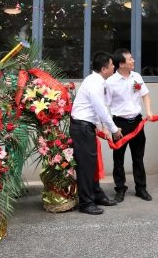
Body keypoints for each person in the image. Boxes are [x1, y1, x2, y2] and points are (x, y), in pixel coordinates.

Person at [70, 51, 123, 215]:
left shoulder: (97, 81)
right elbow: (100, 109)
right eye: (112, 64)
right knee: (86, 166)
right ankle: (86, 203)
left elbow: (101, 108)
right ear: (103, 68)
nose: (114, 67)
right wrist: (114, 129)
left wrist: (105, 126)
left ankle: (97, 195)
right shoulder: (94, 83)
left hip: (86, 127)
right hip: (82, 128)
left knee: (91, 165)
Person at [105, 49, 154, 203]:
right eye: (130, 59)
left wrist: (149, 111)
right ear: (121, 64)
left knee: (138, 157)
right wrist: (108, 128)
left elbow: (145, 95)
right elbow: (105, 106)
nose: (133, 61)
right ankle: (120, 189)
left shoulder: (136, 77)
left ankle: (141, 188)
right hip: (119, 124)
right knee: (118, 159)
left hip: (137, 123)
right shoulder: (110, 82)